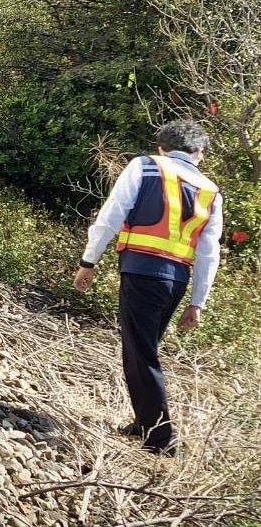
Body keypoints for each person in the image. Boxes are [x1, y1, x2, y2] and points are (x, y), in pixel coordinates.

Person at [73, 120, 223, 454]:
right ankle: (145, 423)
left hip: (142, 273)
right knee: (144, 349)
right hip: (177, 282)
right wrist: (197, 302)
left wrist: (88, 262)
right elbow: (209, 252)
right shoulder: (211, 191)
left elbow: (112, 214)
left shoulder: (145, 166)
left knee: (140, 354)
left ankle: (160, 438)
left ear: (161, 147)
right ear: (199, 152)